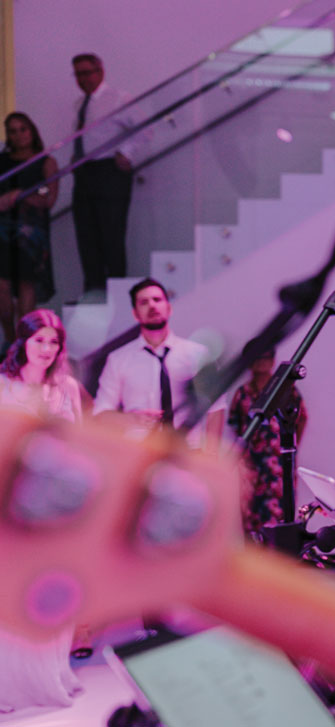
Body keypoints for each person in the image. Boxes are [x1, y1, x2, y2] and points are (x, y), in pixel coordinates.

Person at [0, 309, 83, 712]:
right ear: (23, 342)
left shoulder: (64, 387)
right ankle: (10, 685)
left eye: (54, 342)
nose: (47, 349)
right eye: (39, 341)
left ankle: (51, 675)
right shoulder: (3, 386)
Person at [93, 278, 225, 450]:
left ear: (168, 308)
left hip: (188, 451)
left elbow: (216, 408)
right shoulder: (118, 359)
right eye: (144, 302)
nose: (152, 306)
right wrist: (130, 419)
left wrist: (211, 455)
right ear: (135, 313)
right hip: (139, 451)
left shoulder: (197, 354)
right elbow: (100, 414)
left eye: (157, 300)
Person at [70, 53, 144, 300]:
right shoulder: (80, 104)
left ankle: (118, 297)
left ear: (100, 71)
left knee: (111, 236)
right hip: (85, 173)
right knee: (87, 238)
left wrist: (126, 153)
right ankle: (93, 296)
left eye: (86, 72)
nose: (82, 78)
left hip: (109, 172)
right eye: (78, 74)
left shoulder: (119, 98)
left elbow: (145, 127)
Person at [226, 342, 308, 537]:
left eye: (266, 358)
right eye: (257, 359)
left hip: (280, 466)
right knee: (251, 519)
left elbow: (301, 418)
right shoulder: (243, 393)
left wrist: (292, 451)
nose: (262, 363)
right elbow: (235, 426)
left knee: (282, 518)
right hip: (252, 467)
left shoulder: (286, 389)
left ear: (272, 361)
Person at [0, 113, 58, 342]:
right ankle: (10, 337)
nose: (19, 135)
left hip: (30, 230)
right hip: (2, 227)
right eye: (13, 131)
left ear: (32, 130)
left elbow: (49, 199)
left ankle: (24, 339)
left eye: (23, 129)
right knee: (1, 285)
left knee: (26, 281)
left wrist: (20, 196)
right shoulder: (1, 161)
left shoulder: (45, 161)